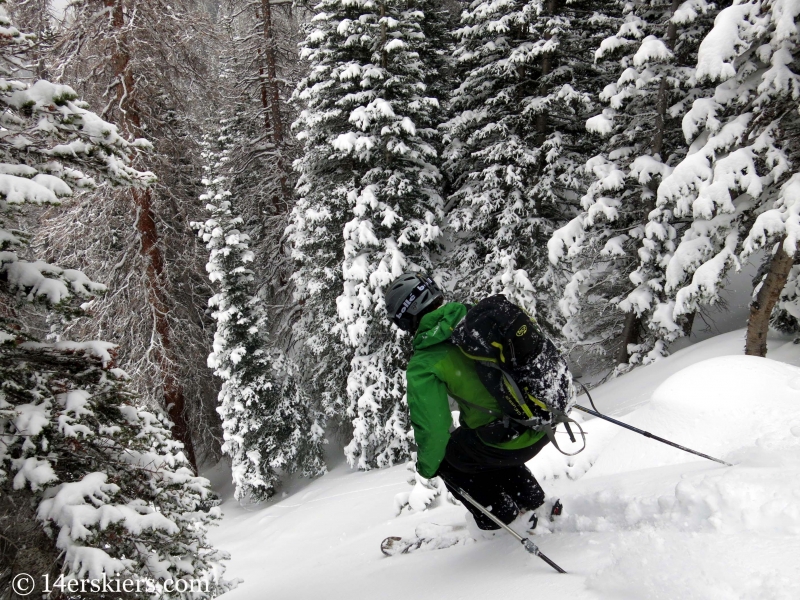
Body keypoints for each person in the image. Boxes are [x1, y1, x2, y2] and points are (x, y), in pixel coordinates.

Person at [385, 271, 554, 532]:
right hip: (541, 419)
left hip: (510, 440)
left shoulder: (425, 361)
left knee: (447, 455)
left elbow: (434, 430)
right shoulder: (475, 317)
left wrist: (427, 468)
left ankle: (499, 520)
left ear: (408, 317)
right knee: (475, 441)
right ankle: (532, 501)